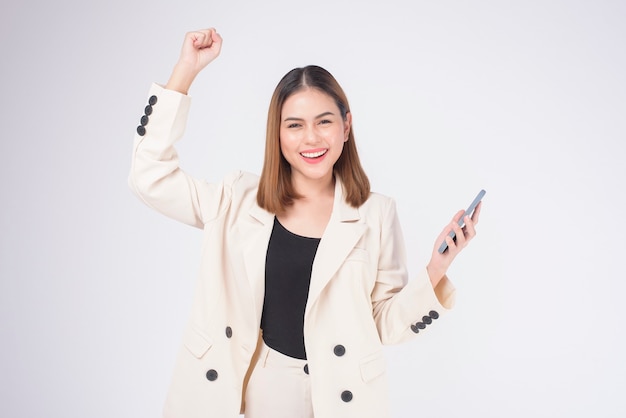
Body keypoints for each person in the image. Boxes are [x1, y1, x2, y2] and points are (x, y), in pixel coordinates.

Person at [128, 28, 480, 418]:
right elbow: (150, 177)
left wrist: (435, 269)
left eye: (324, 121)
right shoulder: (235, 198)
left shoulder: (376, 213)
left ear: (346, 127)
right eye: (294, 125)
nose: (311, 138)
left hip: (347, 394)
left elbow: (383, 324)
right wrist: (185, 71)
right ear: (277, 135)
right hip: (268, 389)